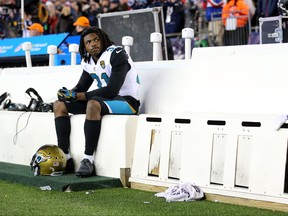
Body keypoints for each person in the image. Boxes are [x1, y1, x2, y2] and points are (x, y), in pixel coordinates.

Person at [53, 26, 140, 178]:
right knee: (58, 105)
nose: (93, 44)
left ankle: (88, 160)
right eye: (88, 42)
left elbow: (112, 90)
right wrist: (67, 94)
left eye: (96, 40)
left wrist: (77, 95)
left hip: (127, 102)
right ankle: (65, 158)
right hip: (105, 101)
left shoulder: (117, 54)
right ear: (84, 46)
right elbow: (81, 87)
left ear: (102, 39)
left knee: (92, 104)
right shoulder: (88, 60)